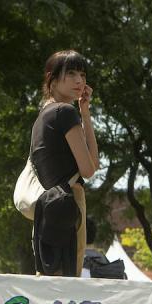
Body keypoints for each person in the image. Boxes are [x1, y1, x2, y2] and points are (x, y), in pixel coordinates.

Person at [30, 50, 99, 277]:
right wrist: (81, 115)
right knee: (69, 282)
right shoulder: (65, 112)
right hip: (69, 204)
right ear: (51, 77)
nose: (79, 81)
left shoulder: (44, 115)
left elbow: (92, 164)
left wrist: (85, 113)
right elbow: (89, 169)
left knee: (49, 282)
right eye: (70, 74)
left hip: (48, 206)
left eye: (82, 74)